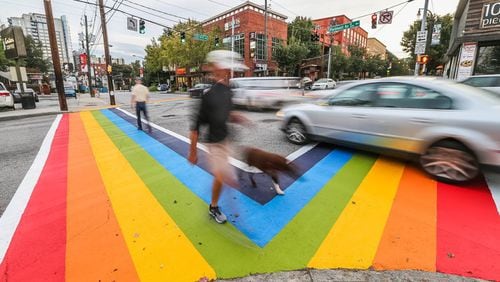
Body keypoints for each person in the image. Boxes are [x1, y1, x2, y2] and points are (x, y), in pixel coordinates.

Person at [188, 50, 249, 224]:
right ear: (216, 69)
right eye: (223, 67)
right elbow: (195, 127)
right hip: (214, 143)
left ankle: (220, 191)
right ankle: (213, 207)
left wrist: (238, 118)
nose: (228, 70)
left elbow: (228, 114)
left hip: (226, 140)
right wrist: (192, 152)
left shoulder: (228, 91)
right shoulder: (208, 95)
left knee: (226, 177)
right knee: (222, 176)